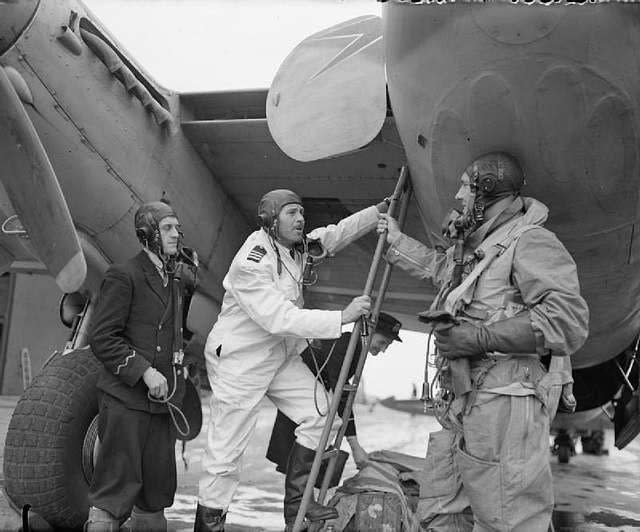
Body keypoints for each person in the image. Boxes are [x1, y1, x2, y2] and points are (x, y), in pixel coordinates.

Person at [377, 152, 589, 531]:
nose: (458, 196)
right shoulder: (485, 247)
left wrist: (475, 338)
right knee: (444, 510)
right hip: (469, 400)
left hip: (506, 404)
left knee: (508, 518)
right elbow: (443, 271)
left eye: (464, 186)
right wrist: (396, 241)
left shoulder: (532, 241)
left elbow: (567, 320)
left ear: (485, 190)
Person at [195, 189, 389, 531]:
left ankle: (298, 507)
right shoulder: (252, 261)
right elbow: (279, 318)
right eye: (291, 213)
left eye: (301, 212)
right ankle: (210, 525)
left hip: (276, 356)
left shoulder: (295, 249)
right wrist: (341, 317)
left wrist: (377, 211)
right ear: (271, 220)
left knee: (322, 414)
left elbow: (333, 235)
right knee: (225, 457)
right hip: (241, 363)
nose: (300, 219)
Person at [86, 201, 195, 531]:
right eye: (168, 228)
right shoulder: (124, 275)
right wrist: (144, 371)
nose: (177, 234)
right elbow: (102, 337)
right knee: (114, 493)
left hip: (162, 406)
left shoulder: (175, 279)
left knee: (155, 495)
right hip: (126, 402)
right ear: (148, 235)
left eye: (177, 227)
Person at [266, 312, 403, 473]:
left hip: (311, 398)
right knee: (294, 460)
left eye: (387, 345)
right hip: (299, 396)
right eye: (382, 342)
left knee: (299, 461)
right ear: (368, 331)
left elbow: (341, 391)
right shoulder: (345, 345)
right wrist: (355, 445)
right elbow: (341, 392)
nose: (383, 349)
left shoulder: (354, 347)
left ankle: (301, 495)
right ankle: (299, 496)